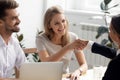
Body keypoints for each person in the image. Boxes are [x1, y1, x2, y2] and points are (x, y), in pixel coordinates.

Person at [36, 6, 88, 80]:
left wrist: (78, 71)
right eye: (57, 23)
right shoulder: (41, 39)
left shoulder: (73, 37)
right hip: (47, 78)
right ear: (49, 25)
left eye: (63, 21)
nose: (62, 26)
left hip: (65, 77)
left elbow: (84, 64)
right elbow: (47, 63)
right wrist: (67, 47)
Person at [79, 14, 120, 80]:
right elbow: (114, 53)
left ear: (117, 35)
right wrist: (89, 44)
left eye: (110, 30)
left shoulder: (115, 63)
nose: (109, 33)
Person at [0, 0, 26, 78]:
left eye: (18, 16)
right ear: (0, 22)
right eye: (14, 18)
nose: (19, 21)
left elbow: (24, 67)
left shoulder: (14, 42)